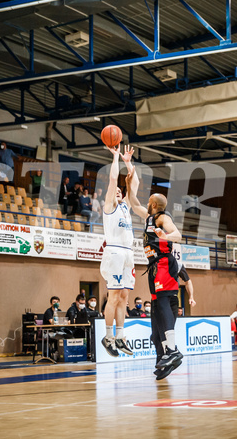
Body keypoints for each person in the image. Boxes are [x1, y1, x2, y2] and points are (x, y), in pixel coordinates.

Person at [127, 167, 184, 379]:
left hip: (163, 264)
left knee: (161, 305)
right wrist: (129, 180)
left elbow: (177, 234)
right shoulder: (148, 217)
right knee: (155, 321)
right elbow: (133, 203)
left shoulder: (162, 218)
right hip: (153, 269)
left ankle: (172, 350)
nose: (146, 202)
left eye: (149, 200)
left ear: (153, 205)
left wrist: (164, 235)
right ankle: (163, 360)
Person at [99, 144, 136, 358]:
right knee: (113, 297)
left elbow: (132, 185)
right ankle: (108, 336)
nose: (119, 192)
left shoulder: (125, 208)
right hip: (114, 252)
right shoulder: (109, 207)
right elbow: (115, 180)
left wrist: (128, 162)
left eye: (120, 191)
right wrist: (115, 159)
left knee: (124, 297)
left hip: (128, 254)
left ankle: (121, 336)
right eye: (116, 192)